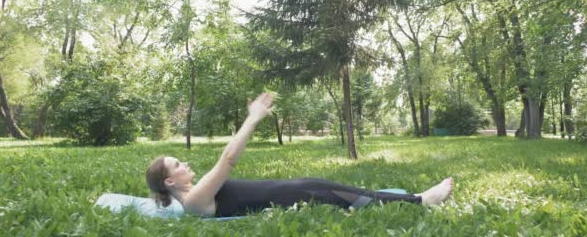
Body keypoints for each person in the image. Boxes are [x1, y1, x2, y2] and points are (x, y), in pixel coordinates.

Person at [146, 93, 454, 217]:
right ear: (171, 180)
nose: (185, 164)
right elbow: (227, 160)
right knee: (344, 195)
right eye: (178, 164)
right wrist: (253, 118)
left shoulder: (190, 196)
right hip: (292, 196)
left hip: (292, 189)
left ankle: (413, 198)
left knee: (349, 193)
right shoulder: (195, 200)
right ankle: (420, 202)